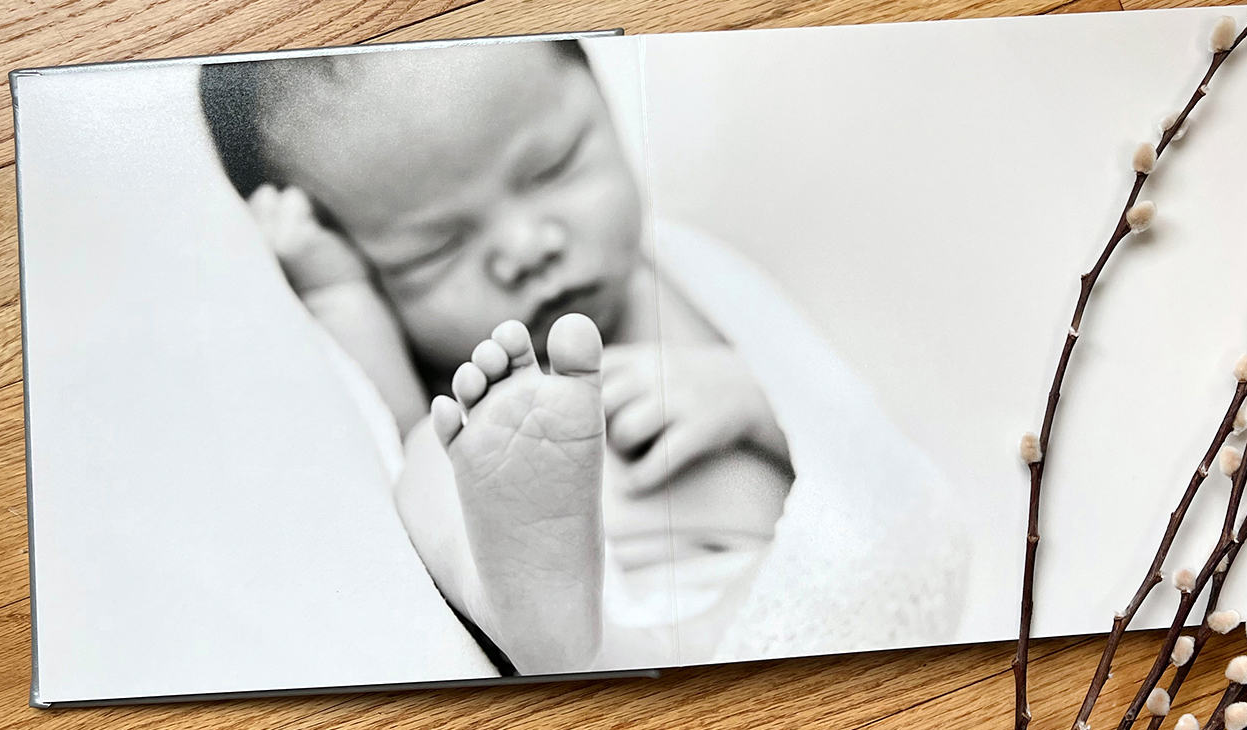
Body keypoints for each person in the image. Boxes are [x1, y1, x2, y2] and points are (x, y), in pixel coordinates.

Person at [200, 37, 964, 676]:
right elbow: (388, 432)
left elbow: (841, 413)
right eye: (435, 249)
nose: (527, 247)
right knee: (429, 465)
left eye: (553, 167)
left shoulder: (687, 272)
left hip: (789, 582)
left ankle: (564, 631)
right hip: (622, 632)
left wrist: (747, 396)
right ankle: (547, 611)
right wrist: (341, 297)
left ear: (600, 91)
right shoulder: (467, 388)